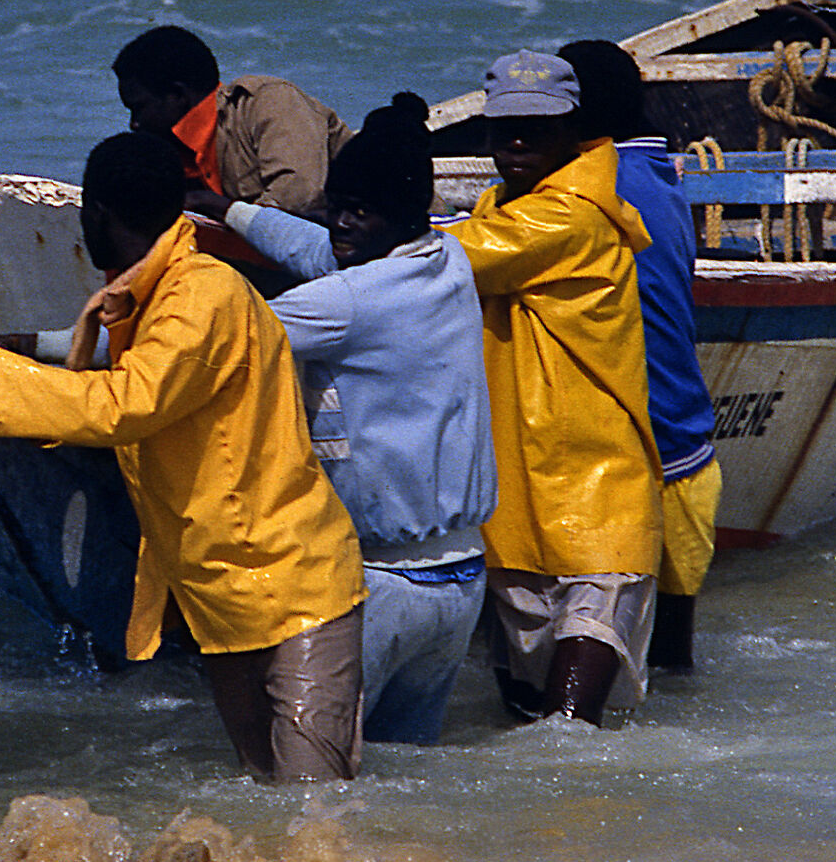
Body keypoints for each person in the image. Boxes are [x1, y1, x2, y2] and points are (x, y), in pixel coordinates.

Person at [0, 132, 369, 780]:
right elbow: (109, 381)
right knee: (266, 796)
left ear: (99, 216)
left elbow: (125, 405)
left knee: (315, 807)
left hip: (297, 589)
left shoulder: (203, 296)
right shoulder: (153, 295)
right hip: (224, 595)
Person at [212, 93, 497, 744]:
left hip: (380, 586)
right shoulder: (449, 260)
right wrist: (230, 210)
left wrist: (38, 348)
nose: (338, 224)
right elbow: (321, 249)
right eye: (333, 208)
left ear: (394, 217)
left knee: (303, 776)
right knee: (406, 773)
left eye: (355, 214)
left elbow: (207, 341)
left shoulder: (345, 302)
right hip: (461, 583)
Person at [444, 50, 663, 727]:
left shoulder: (570, 218)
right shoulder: (501, 209)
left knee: (566, 737)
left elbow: (433, 262)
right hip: (518, 514)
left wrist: (250, 219)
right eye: (502, 128)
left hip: (601, 510)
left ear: (573, 130)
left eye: (534, 129)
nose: (515, 143)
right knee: (529, 732)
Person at [560, 39, 722, 674]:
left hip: (624, 460)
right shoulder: (659, 178)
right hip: (688, 450)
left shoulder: (593, 189)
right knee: (671, 664)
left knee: (573, 653)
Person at [112, 24, 351, 219]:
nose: (134, 123)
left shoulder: (267, 101)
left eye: (138, 108)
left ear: (177, 96)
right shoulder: (169, 147)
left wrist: (213, 205)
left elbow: (298, 199)